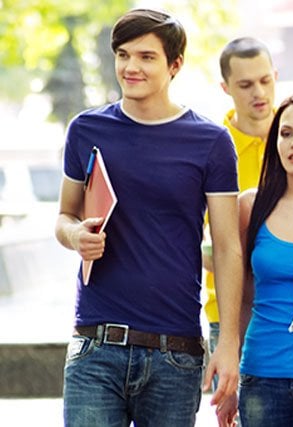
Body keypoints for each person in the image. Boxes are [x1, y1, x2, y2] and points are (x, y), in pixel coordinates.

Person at [55, 8, 242, 425]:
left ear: (174, 65)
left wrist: (228, 343)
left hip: (174, 354)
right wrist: (75, 237)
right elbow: (65, 216)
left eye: (145, 56)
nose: (130, 67)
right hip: (95, 347)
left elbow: (228, 247)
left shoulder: (211, 141)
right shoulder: (85, 130)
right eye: (123, 55)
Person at [213, 93, 293, 427]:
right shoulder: (250, 207)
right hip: (261, 373)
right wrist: (231, 376)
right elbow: (241, 297)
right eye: (286, 133)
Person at [203, 36, 278, 380]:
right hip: (231, 315)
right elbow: (198, 243)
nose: (258, 93)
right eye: (245, 85)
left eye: (265, 81)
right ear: (225, 87)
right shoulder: (211, 150)